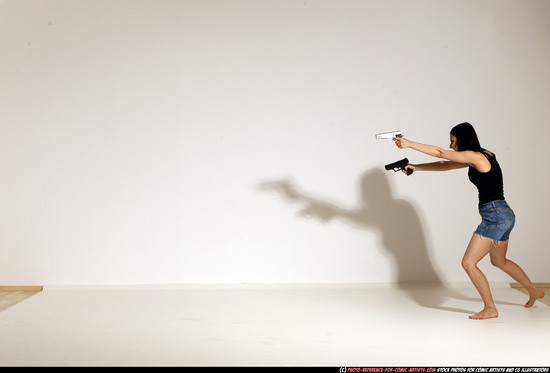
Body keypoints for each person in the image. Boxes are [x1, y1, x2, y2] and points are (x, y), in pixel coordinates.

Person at [393, 122, 545, 320]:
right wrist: (416, 167)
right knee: (499, 261)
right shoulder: (484, 154)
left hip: (495, 216)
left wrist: (409, 143)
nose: (450, 145)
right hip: (505, 214)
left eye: (453, 141)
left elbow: (440, 154)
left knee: (468, 263)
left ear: (463, 139)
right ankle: (533, 291)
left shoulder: (475, 156)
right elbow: (445, 164)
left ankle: (490, 308)